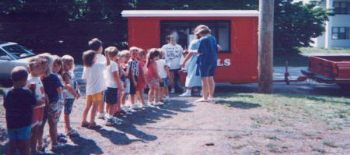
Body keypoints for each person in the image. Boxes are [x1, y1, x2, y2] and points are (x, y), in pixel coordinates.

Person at [4, 66, 36, 155]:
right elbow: (33, 102)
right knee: (25, 145)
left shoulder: (8, 92)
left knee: (12, 144)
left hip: (11, 123)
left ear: (12, 79)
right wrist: (32, 90)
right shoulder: (27, 92)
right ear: (24, 80)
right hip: (24, 123)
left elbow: (5, 105)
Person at [41, 54, 65, 150]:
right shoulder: (54, 77)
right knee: (53, 124)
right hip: (53, 103)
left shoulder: (40, 77)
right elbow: (60, 90)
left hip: (42, 103)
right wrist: (62, 101)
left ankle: (39, 143)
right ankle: (54, 144)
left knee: (41, 124)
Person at [81, 50, 105, 129]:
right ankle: (92, 122)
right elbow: (107, 64)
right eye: (95, 57)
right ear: (92, 58)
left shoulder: (86, 67)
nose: (96, 58)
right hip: (97, 90)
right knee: (95, 107)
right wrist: (107, 56)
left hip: (89, 90)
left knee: (87, 106)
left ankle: (84, 121)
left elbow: (84, 78)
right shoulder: (98, 65)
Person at [27, 58, 46, 153]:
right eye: (37, 67)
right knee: (32, 131)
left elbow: (41, 90)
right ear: (30, 69)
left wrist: (45, 96)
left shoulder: (38, 77)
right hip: (34, 109)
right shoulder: (29, 81)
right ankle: (32, 150)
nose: (41, 68)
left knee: (37, 128)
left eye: (41, 66)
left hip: (41, 108)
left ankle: (35, 149)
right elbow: (29, 98)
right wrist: (37, 102)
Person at [195, 25, 218, 102]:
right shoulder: (213, 38)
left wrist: (192, 51)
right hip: (213, 60)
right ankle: (211, 96)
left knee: (204, 79)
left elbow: (200, 51)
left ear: (201, 33)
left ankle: (204, 97)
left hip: (204, 61)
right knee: (211, 78)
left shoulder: (203, 39)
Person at [61, 55, 80, 137]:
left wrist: (77, 91)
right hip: (68, 96)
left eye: (71, 63)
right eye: (69, 64)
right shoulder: (65, 74)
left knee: (68, 112)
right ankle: (68, 128)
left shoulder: (70, 72)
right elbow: (68, 86)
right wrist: (75, 94)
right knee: (67, 112)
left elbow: (74, 83)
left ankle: (68, 127)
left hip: (71, 95)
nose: (71, 65)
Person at [104, 46, 123, 126]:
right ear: (115, 55)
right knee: (113, 104)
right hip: (113, 86)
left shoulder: (106, 63)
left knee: (108, 103)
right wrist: (120, 86)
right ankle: (110, 119)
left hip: (106, 85)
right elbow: (116, 76)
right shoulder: (114, 64)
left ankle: (108, 116)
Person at [88, 38, 107, 119]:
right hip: (101, 80)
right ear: (99, 48)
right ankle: (101, 112)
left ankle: (94, 113)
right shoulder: (102, 57)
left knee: (93, 98)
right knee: (101, 98)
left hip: (91, 80)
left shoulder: (89, 56)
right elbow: (105, 67)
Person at [180, 32, 203, 97]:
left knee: (190, 75)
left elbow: (190, 53)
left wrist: (184, 62)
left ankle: (188, 92)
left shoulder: (194, 42)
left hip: (195, 61)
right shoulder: (205, 41)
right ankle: (202, 92)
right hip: (204, 60)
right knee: (203, 76)